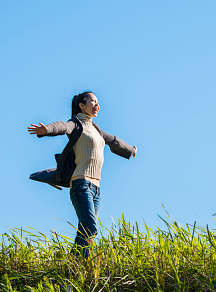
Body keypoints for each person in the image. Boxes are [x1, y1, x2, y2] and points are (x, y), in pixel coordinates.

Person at [28, 91, 137, 257]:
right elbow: (61, 126)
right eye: (93, 101)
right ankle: (76, 262)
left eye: (98, 102)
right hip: (81, 185)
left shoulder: (96, 130)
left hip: (96, 189)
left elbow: (114, 141)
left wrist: (130, 150)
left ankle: (75, 266)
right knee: (90, 227)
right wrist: (46, 130)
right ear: (81, 105)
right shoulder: (76, 125)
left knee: (85, 231)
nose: (97, 105)